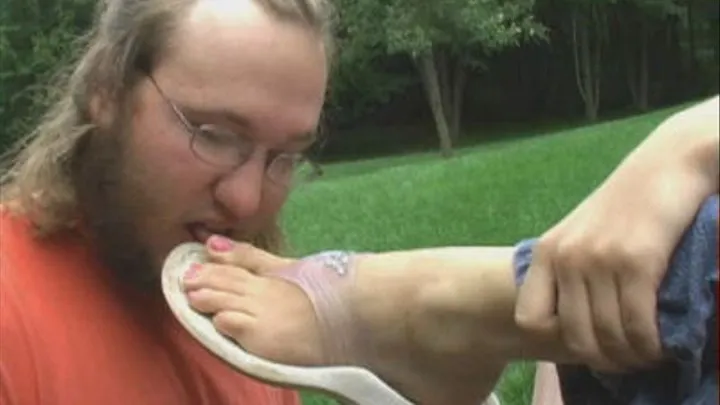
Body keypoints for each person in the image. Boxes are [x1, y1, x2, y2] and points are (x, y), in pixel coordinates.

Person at [0, 0, 716, 401]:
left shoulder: (245, 314)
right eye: (213, 135)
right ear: (106, 93)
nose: (248, 196)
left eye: (286, 155)